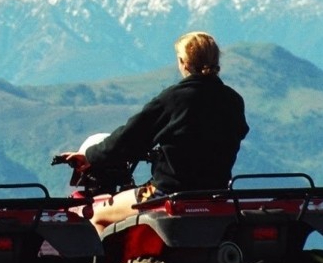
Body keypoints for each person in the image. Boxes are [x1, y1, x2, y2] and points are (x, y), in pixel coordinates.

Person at [58, 31, 249, 234]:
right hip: (216, 194)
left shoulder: (173, 99)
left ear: (184, 62)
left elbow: (128, 139)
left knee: (97, 215)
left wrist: (90, 156)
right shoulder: (233, 100)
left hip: (167, 193)